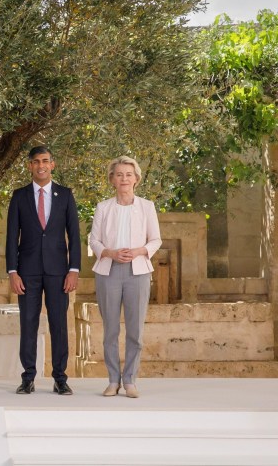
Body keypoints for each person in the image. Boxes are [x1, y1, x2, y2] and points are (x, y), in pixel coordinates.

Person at [6, 145, 81, 395]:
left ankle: (60, 378)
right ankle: (28, 377)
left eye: (45, 161)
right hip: (26, 272)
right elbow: (10, 238)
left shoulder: (66, 195)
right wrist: (12, 272)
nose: (41, 165)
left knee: (59, 324)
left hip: (59, 272)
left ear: (53, 164)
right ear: (30, 166)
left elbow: (74, 235)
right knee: (28, 323)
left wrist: (74, 269)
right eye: (36, 161)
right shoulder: (19, 196)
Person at [89, 156, 161, 398]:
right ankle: (112, 380)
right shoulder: (103, 207)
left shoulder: (147, 207)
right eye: (119, 174)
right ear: (112, 179)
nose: (124, 179)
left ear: (136, 179)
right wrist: (109, 252)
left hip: (138, 272)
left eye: (128, 174)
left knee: (135, 330)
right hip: (108, 272)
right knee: (110, 329)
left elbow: (155, 239)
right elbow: (94, 240)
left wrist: (140, 251)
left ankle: (130, 380)